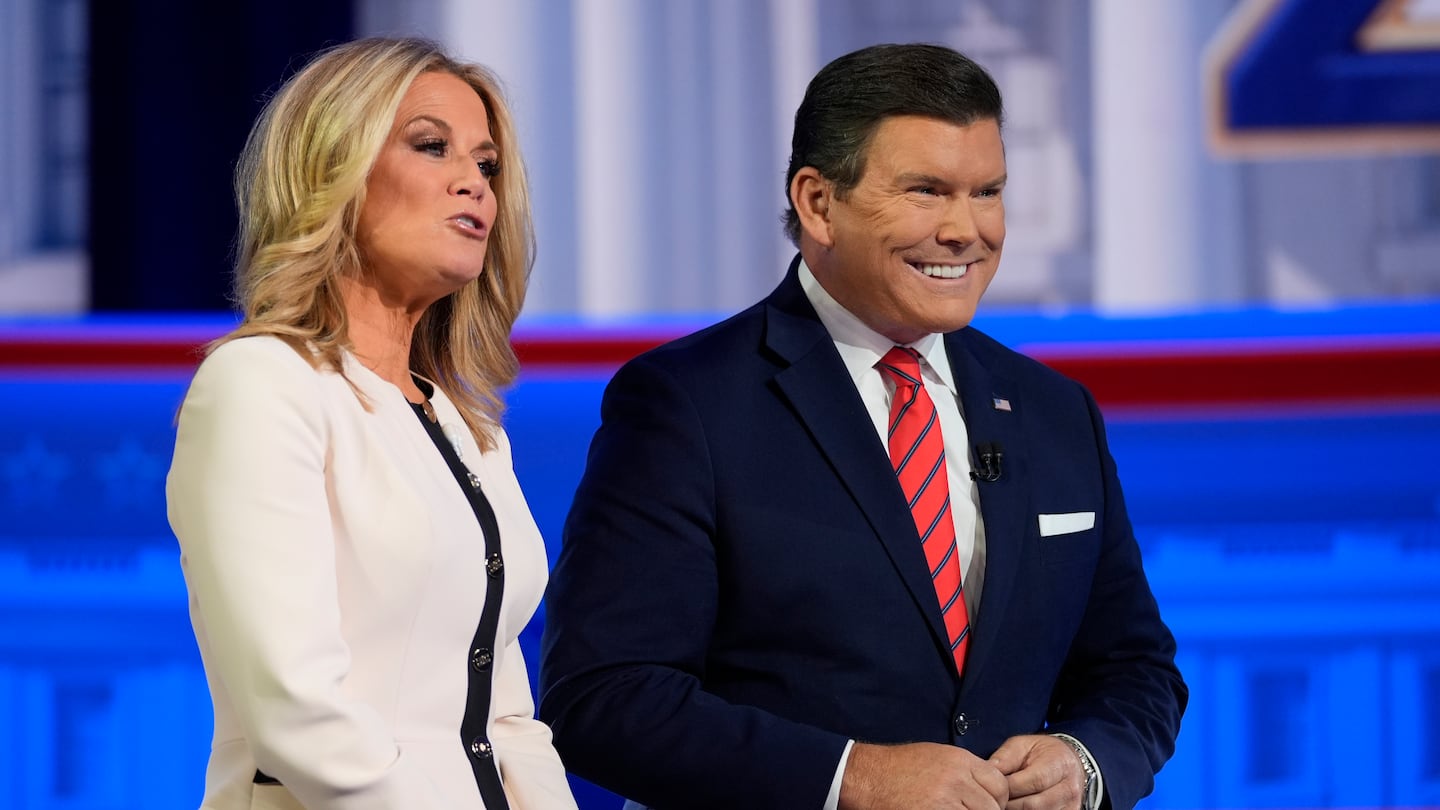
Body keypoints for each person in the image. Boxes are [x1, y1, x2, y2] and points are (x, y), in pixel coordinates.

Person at [539, 43, 1186, 810]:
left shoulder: (1053, 410)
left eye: (987, 192)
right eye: (926, 191)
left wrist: (1085, 761)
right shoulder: (687, 405)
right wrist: (852, 778)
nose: (965, 230)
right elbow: (606, 698)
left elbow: (1136, 667)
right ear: (817, 203)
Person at [166, 37, 577, 809]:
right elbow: (298, 712)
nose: (475, 186)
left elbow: (504, 715)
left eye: (487, 165)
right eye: (433, 147)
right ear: (334, 174)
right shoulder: (262, 385)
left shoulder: (468, 426)